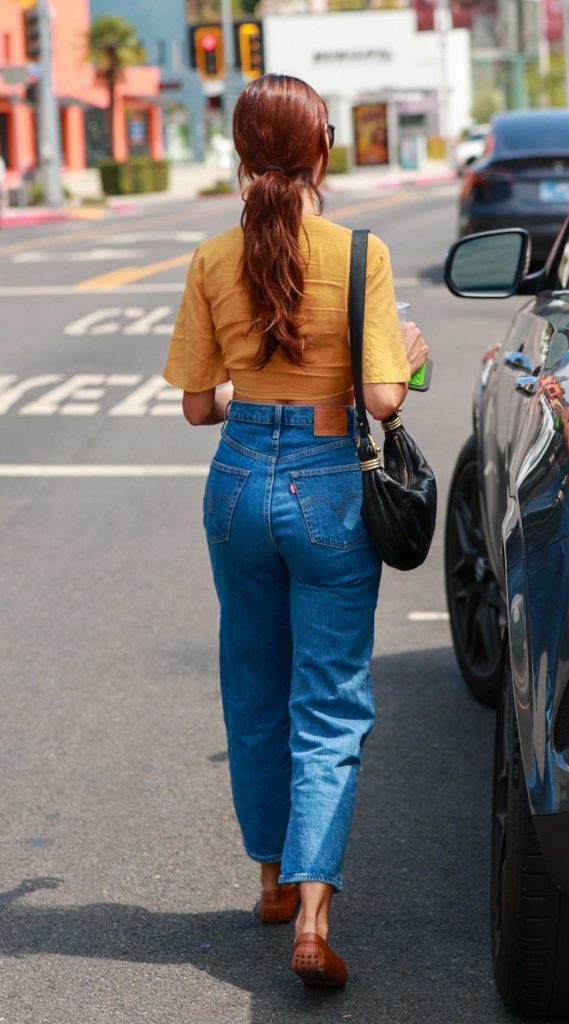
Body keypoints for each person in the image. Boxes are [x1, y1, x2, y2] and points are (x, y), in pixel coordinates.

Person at [163, 73, 429, 988]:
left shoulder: (208, 258)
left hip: (236, 480)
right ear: (320, 153)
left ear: (240, 155)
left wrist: (254, 395)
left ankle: (271, 880)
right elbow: (382, 399)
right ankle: (312, 919)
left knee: (253, 684)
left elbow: (200, 406)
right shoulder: (359, 253)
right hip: (326, 488)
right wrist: (411, 358)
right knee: (328, 703)